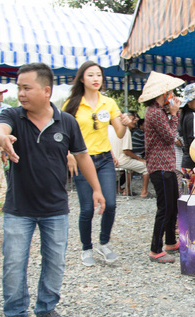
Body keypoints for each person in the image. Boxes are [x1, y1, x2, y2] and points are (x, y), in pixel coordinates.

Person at [0, 62, 105, 317]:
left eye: (26, 88)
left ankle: (46, 309)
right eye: (19, 88)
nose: (21, 93)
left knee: (54, 262)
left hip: (55, 209)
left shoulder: (66, 122)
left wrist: (97, 189)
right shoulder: (13, 116)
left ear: (45, 90)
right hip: (18, 209)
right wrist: (2, 139)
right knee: (14, 263)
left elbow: (82, 156)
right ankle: (14, 314)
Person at [63, 61, 132, 266]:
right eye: (91, 75)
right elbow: (62, 132)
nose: (95, 79)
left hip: (104, 159)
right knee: (87, 208)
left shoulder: (108, 103)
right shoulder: (72, 103)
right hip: (82, 160)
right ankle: (86, 248)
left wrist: (126, 124)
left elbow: (118, 132)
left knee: (110, 203)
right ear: (82, 78)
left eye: (99, 75)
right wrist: (68, 154)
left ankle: (104, 242)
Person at [139, 71, 184, 263]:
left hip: (168, 166)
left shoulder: (159, 112)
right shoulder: (155, 113)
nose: (172, 95)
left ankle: (170, 242)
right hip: (160, 166)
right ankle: (155, 249)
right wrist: (174, 114)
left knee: (173, 205)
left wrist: (173, 114)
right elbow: (170, 137)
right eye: (170, 92)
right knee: (164, 208)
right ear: (163, 93)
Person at [109, 113, 150, 198]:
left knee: (132, 166)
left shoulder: (110, 129)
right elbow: (126, 151)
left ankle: (126, 190)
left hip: (112, 160)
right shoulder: (126, 131)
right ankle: (144, 192)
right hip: (122, 161)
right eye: (132, 119)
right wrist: (139, 159)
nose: (135, 121)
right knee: (146, 167)